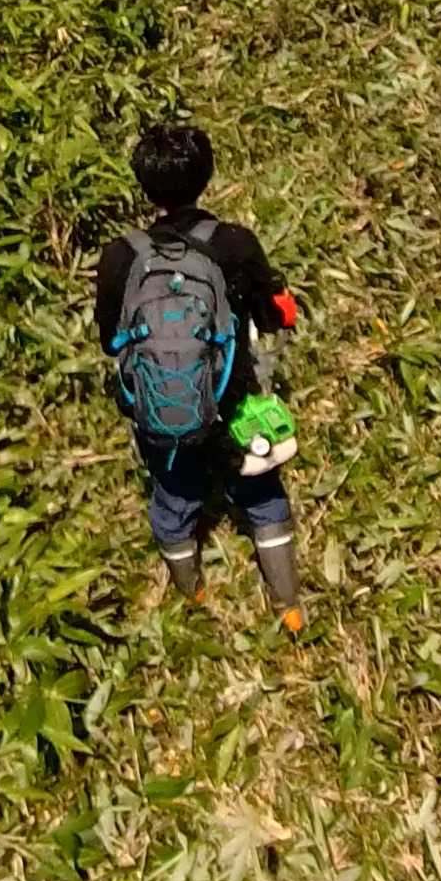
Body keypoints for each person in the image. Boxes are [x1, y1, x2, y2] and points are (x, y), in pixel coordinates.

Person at [95, 124, 305, 633]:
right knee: (262, 494)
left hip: (161, 405)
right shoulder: (234, 242)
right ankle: (289, 609)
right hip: (232, 400)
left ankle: (193, 596)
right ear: (207, 177)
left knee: (174, 496)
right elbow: (273, 317)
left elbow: (109, 340)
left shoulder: (120, 255)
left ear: (144, 187)